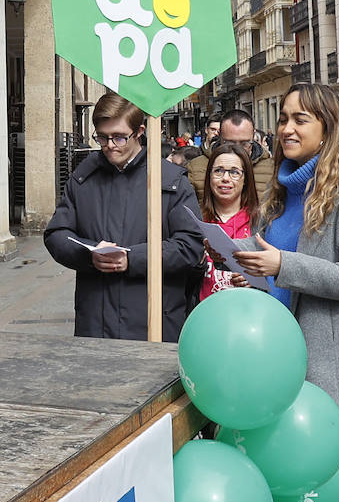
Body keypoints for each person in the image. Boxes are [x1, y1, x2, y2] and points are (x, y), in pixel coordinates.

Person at [232, 83, 339, 502]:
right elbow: (274, 259)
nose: (287, 128)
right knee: (285, 472)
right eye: (283, 118)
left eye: (301, 119)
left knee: (337, 477)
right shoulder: (280, 190)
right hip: (274, 358)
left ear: (329, 127)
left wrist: (283, 266)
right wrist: (251, 267)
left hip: (326, 361)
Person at [44, 92, 204, 341]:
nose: (109, 145)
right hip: (96, 322)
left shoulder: (171, 181)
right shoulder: (83, 177)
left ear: (139, 131)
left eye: (119, 137)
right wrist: (89, 253)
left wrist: (133, 259)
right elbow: (57, 234)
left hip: (153, 321)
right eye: (102, 137)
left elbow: (190, 245)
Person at [198, 142, 259, 302]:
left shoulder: (260, 222)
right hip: (203, 314)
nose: (225, 178)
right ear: (209, 176)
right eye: (218, 171)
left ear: (246, 179)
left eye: (234, 172)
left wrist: (254, 280)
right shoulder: (197, 220)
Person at [187, 109, 273, 209]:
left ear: (253, 135)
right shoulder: (196, 168)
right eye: (229, 144)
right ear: (219, 135)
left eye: (244, 144)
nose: (237, 150)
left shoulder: (272, 169)